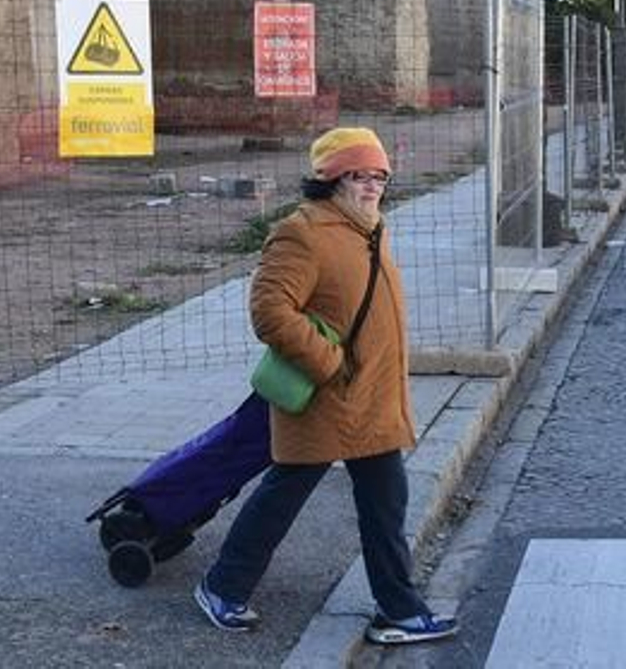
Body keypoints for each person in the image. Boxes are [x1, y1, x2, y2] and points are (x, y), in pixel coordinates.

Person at [194, 127, 458, 646]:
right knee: (282, 497)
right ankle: (223, 586)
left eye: (380, 175)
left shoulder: (367, 227)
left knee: (386, 504)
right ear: (333, 179)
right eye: (360, 175)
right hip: (327, 397)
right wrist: (328, 363)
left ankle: (398, 611)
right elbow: (270, 311)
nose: (373, 185)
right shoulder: (304, 231)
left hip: (371, 401)